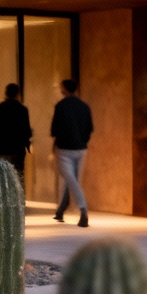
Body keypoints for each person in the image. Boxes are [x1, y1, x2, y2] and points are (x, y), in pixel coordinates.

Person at [50, 78, 93, 227]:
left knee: (72, 180)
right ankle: (61, 209)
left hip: (64, 149)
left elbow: (54, 130)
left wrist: (55, 145)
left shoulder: (60, 106)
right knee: (73, 180)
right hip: (81, 148)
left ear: (64, 89)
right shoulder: (84, 106)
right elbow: (89, 128)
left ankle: (83, 210)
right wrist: (83, 140)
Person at [0, 82, 33, 181]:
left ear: (6, 93)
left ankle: (4, 196)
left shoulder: (0, 108)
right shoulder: (22, 109)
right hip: (18, 148)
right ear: (18, 94)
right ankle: (17, 196)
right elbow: (26, 130)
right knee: (17, 176)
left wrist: (0, 135)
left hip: (2, 147)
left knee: (2, 178)